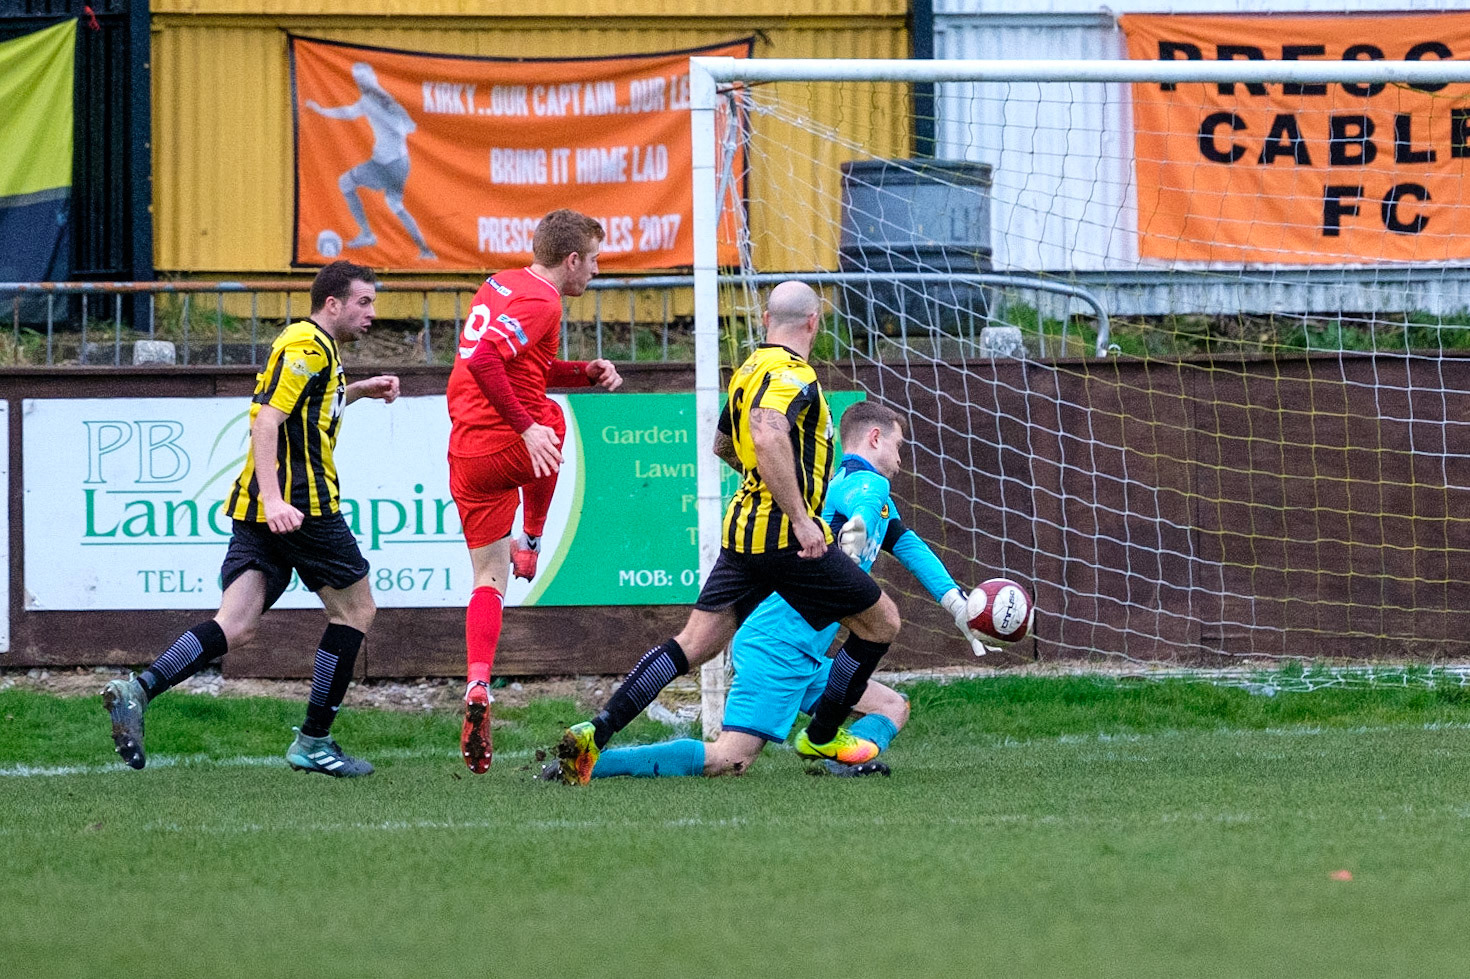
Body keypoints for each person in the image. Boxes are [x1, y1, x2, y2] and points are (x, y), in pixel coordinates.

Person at [554, 280, 902, 786]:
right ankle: (824, 733)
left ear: (765, 320)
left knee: (693, 643)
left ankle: (597, 732)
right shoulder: (791, 373)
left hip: (743, 534)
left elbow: (723, 443)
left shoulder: (748, 370)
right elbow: (765, 431)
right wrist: (801, 518)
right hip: (786, 540)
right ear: (814, 320)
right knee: (882, 623)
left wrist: (765, 484)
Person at [571, 401, 994, 781]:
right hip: (778, 645)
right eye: (899, 446)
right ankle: (594, 764)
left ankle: (834, 761)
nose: (901, 460)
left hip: (807, 653)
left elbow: (911, 547)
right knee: (729, 760)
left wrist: (957, 604)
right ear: (875, 438)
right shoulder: (867, 485)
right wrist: (852, 540)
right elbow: (863, 507)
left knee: (893, 707)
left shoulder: (852, 489)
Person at [101, 260, 401, 777]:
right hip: (301, 506)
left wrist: (360, 391)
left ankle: (139, 689)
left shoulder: (312, 347)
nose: (372, 313)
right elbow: (266, 422)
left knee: (234, 625)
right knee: (355, 611)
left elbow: (307, 408)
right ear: (333, 303)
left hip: (260, 508)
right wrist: (278, 499)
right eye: (364, 302)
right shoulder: (308, 347)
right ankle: (313, 740)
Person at [447, 209, 623, 773]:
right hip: (503, 444)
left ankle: (477, 683)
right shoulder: (544, 301)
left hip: (465, 456)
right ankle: (534, 535)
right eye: (593, 260)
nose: (596, 271)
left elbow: (520, 368)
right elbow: (483, 360)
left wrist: (582, 374)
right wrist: (526, 426)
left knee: (487, 580)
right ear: (571, 260)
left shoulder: (502, 282)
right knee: (548, 420)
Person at [307, 62, 436, 260]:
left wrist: (390, 121)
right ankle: (425, 250)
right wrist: (321, 110)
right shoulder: (379, 101)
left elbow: (405, 127)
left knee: (347, 183)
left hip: (388, 164)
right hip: (398, 163)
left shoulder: (380, 102)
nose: (359, 84)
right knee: (394, 204)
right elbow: (408, 126)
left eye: (360, 80)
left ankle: (368, 234)